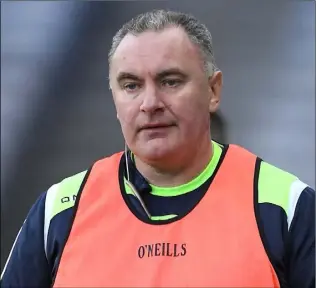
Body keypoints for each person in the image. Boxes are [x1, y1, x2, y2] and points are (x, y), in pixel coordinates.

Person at [1, 9, 314, 288]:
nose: (150, 104)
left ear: (213, 91)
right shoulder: (59, 212)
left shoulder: (286, 207)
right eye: (131, 85)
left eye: (170, 81)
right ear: (114, 99)